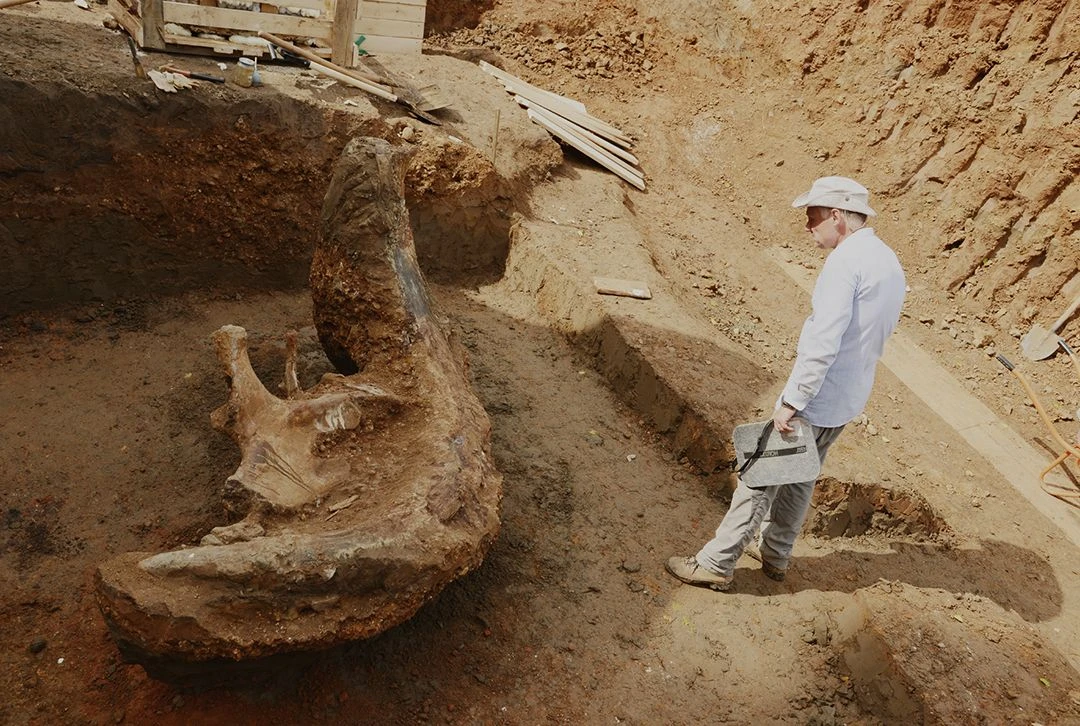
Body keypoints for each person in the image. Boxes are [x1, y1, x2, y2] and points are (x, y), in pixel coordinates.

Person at [666, 176, 906, 591]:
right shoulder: (885, 259)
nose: (808, 227)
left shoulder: (845, 264)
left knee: (759, 476)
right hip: (848, 395)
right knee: (800, 476)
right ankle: (775, 553)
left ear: (837, 216)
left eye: (813, 218)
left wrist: (793, 401)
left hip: (817, 395)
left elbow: (823, 341)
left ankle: (716, 563)